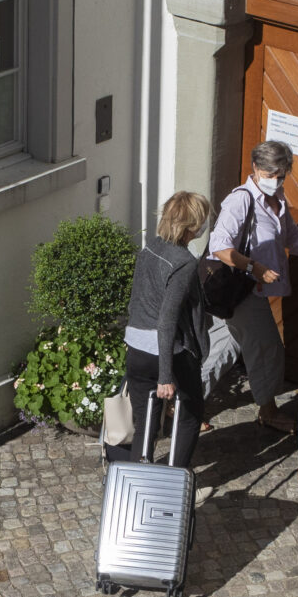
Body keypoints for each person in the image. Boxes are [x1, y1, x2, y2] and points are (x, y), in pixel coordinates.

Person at [205, 140, 298, 433]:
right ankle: (269, 411)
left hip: (248, 292)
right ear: (255, 168)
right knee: (268, 348)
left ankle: (182, 407)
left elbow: (292, 238)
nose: (275, 180)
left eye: (280, 174)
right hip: (242, 290)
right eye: (269, 173)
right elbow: (220, 246)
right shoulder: (241, 200)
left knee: (223, 350)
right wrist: (255, 268)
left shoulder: (279, 199)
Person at [119, 190, 214, 471]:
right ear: (191, 227)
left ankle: (138, 481)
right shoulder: (184, 262)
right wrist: (165, 377)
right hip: (167, 353)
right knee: (190, 413)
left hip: (137, 347)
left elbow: (135, 301)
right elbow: (167, 319)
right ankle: (175, 477)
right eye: (203, 220)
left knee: (145, 422)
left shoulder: (149, 249)